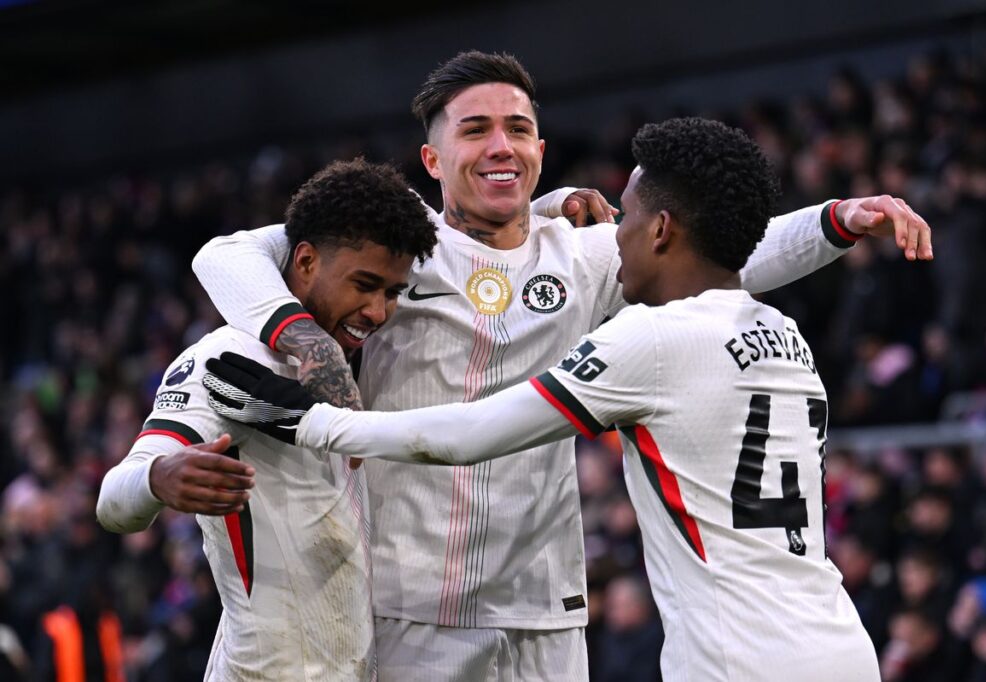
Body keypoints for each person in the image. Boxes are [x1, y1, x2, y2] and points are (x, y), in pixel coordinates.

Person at [190, 52, 929, 680]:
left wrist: (835, 220)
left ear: (541, 149)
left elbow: (714, 249)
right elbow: (225, 254)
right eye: (475, 130)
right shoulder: (393, 251)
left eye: (518, 129)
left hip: (547, 612)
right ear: (433, 160)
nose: (501, 146)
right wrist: (301, 336)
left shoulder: (587, 256)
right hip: (409, 607)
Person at [95, 159, 438, 681]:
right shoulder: (228, 358)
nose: (377, 311)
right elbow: (112, 502)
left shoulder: (367, 358)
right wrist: (158, 478)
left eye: (391, 292)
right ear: (305, 261)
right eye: (364, 284)